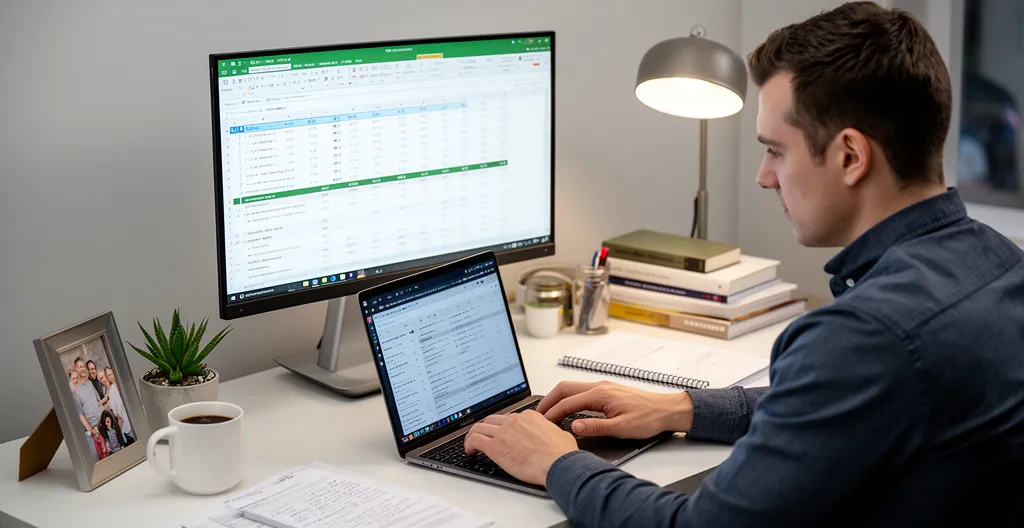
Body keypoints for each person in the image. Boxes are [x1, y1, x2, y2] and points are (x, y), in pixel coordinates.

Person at [462, 3, 1024, 526]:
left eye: (776, 149)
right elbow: (838, 405)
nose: (763, 176)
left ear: (851, 156)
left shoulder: (865, 336)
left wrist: (559, 463)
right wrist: (680, 408)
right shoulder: (998, 263)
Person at [71, 358, 104, 462]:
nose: (82, 369)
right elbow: (80, 414)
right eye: (79, 367)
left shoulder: (89, 383)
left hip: (101, 426)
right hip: (91, 431)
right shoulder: (75, 391)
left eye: (83, 366)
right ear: (76, 369)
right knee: (96, 459)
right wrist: (91, 430)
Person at [103, 367, 134, 446]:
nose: (111, 376)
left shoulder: (124, 383)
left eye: (111, 374)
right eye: (108, 375)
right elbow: (115, 411)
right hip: (125, 420)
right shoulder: (111, 391)